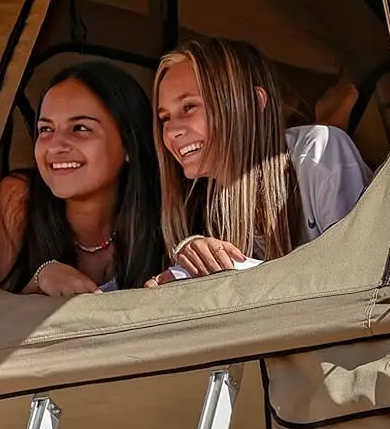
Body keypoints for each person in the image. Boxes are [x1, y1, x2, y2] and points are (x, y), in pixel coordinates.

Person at [148, 35, 372, 284]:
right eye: (165, 118)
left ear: (253, 103)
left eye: (189, 107)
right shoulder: (200, 201)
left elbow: (357, 273)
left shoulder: (320, 151)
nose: (171, 131)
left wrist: (227, 267)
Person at [0, 61, 166, 296]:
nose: (56, 146)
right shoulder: (19, 198)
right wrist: (41, 279)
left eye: (80, 128)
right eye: (46, 129)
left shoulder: (163, 207)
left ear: (129, 143)